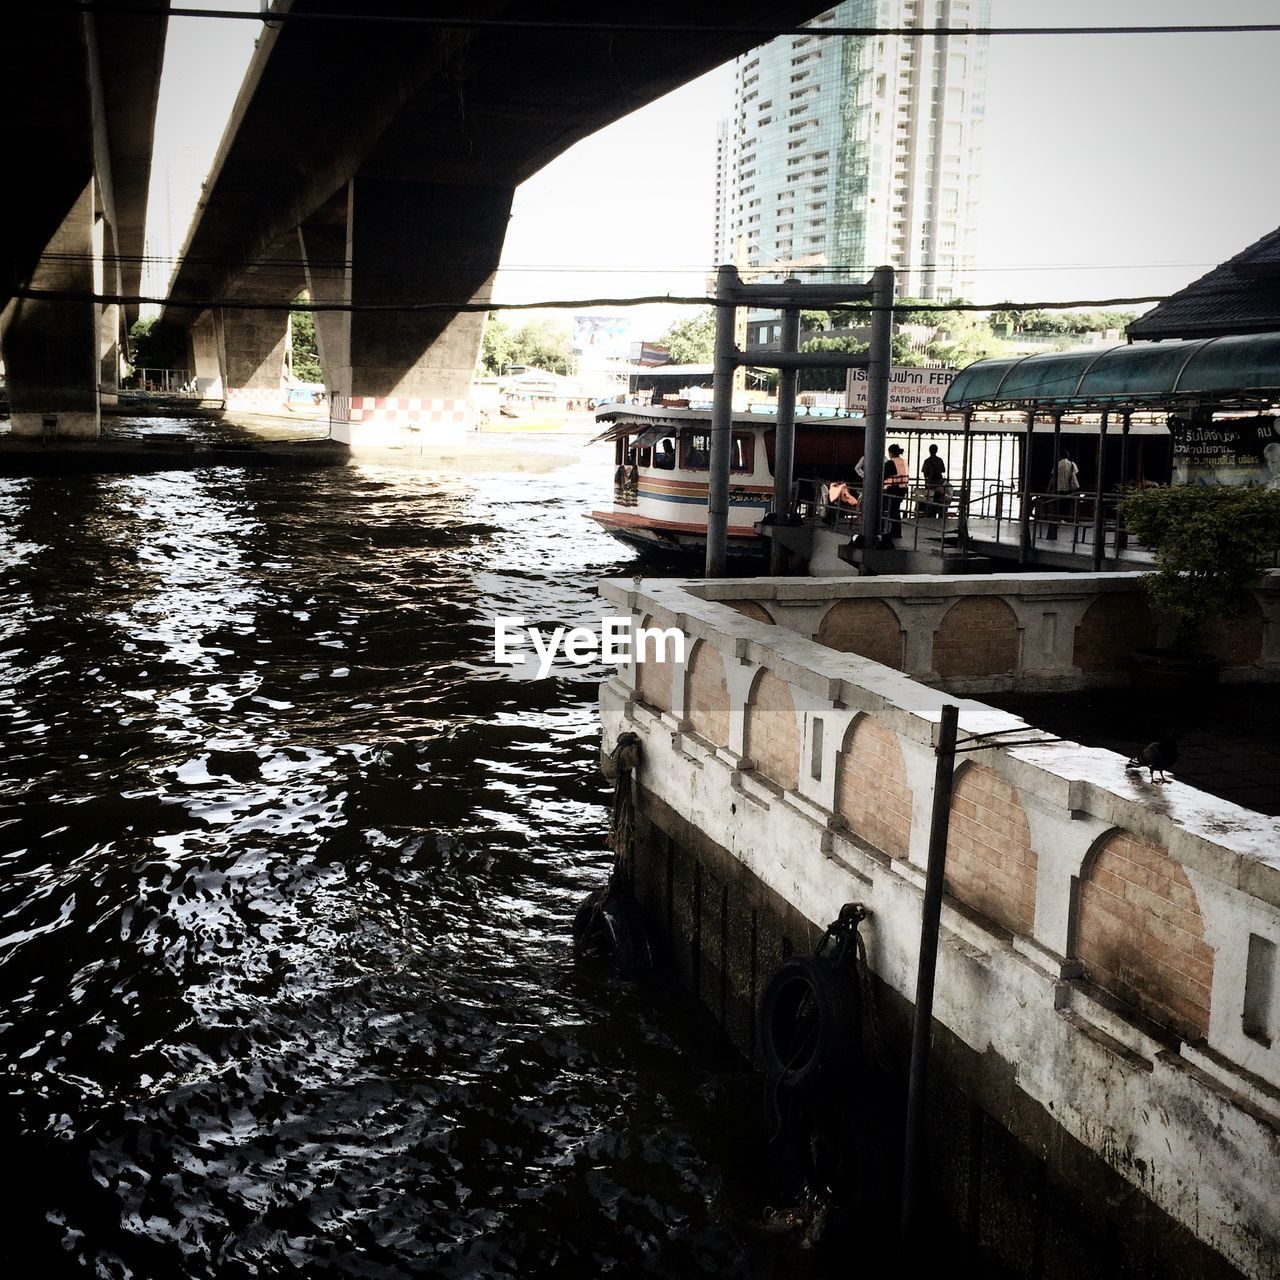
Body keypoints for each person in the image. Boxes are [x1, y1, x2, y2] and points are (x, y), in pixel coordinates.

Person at [883, 444, 909, 541]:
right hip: (902, 489)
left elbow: (885, 475)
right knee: (896, 510)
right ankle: (896, 531)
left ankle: (895, 531)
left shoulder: (891, 463)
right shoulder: (904, 462)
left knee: (892, 512)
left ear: (891, 452)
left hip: (892, 489)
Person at [921, 443, 946, 514]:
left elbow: (924, 473)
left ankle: (930, 513)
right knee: (939, 499)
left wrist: (927, 480)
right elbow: (943, 469)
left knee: (930, 500)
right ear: (936, 451)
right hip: (938, 483)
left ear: (929, 451)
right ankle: (938, 512)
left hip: (930, 483)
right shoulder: (939, 460)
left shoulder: (927, 461)